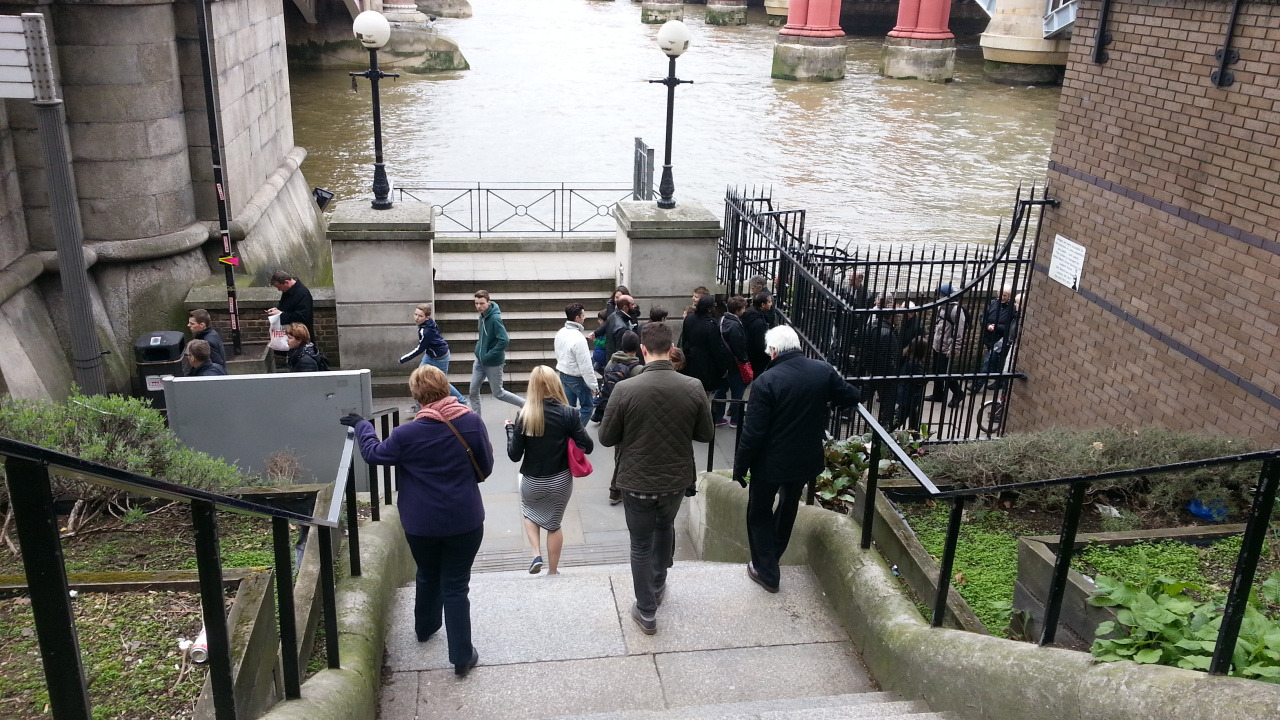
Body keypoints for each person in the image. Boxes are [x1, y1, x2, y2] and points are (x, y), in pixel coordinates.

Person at [341, 365, 492, 677]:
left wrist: (363, 426)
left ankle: (425, 628)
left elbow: (374, 454)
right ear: (445, 387)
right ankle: (461, 656)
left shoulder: (406, 434)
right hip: (465, 518)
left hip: (421, 522)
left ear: (416, 395)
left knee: (427, 573)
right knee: (455, 585)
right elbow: (486, 466)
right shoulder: (471, 422)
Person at [599, 322, 713, 634]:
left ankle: (646, 611)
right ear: (672, 348)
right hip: (674, 480)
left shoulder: (625, 389)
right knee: (665, 527)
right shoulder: (693, 386)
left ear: (643, 350)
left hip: (636, 480)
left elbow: (606, 437)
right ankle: (659, 584)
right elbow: (706, 434)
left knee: (639, 544)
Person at [733, 325, 860, 593]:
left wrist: (741, 466)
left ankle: (767, 571)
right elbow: (851, 395)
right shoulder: (822, 371)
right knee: (788, 506)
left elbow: (753, 433)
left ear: (774, 350)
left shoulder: (766, 382)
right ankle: (773, 557)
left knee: (758, 512)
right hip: (804, 458)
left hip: (770, 462)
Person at [506, 366, 593, 576]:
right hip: (560, 480)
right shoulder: (569, 414)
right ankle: (553, 571)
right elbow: (588, 445)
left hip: (533, 481)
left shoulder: (524, 416)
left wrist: (510, 430)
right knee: (554, 525)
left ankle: (536, 554)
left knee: (529, 512)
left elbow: (514, 455)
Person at [594, 330, 644, 503]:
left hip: (613, 412)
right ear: (637, 348)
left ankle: (619, 487)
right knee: (625, 453)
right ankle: (615, 490)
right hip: (630, 417)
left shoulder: (611, 362)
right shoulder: (638, 369)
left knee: (620, 452)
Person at [469, 290, 525, 418]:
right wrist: (478, 349)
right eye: (476, 303)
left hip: (493, 363)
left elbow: (504, 340)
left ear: (488, 303)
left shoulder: (495, 318)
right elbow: (482, 336)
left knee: (498, 393)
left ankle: (525, 404)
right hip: (479, 360)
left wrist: (489, 354)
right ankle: (477, 419)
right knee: (473, 391)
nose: (478, 306)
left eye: (481, 303)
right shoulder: (482, 316)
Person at [400, 303, 465, 404]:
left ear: (427, 317)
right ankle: (419, 404)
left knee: (441, 382)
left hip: (440, 358)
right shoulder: (429, 323)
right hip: (431, 355)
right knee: (418, 378)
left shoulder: (426, 332)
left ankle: (461, 401)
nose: (416, 318)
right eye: (415, 314)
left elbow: (419, 349)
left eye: (420, 316)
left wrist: (403, 359)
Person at [857, 295, 901, 427]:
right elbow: (889, 357)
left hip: (871, 368)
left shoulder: (873, 326)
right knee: (887, 402)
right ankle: (885, 427)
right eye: (897, 315)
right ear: (891, 316)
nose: (899, 318)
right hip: (883, 373)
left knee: (864, 393)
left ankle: (846, 408)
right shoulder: (887, 333)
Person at [679, 294, 732, 396]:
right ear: (709, 308)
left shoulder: (689, 318)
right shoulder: (710, 325)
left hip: (689, 359)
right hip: (705, 364)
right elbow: (715, 349)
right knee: (703, 392)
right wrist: (722, 368)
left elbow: (685, 338)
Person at [554, 303, 598, 426]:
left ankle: (567, 432)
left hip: (564, 374)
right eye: (583, 315)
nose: (585, 317)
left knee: (568, 409)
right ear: (577, 318)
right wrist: (593, 386)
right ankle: (576, 432)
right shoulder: (579, 339)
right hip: (577, 378)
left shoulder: (560, 333)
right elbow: (586, 366)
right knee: (587, 407)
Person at [925, 284, 967, 408]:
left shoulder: (956, 310)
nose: (938, 297)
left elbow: (959, 332)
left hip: (947, 348)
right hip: (937, 345)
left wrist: (954, 348)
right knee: (936, 371)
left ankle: (958, 393)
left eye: (940, 295)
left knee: (944, 373)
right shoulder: (941, 307)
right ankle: (938, 394)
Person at [970, 287, 1018, 394]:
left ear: (1009, 296)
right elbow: (983, 317)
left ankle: (977, 385)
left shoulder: (1012, 308)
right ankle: (999, 381)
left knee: (989, 361)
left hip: (1000, 340)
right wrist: (987, 325)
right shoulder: (992, 303)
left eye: (1005, 295)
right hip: (989, 337)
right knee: (994, 361)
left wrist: (997, 327)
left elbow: (1011, 327)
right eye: (1000, 294)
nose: (1002, 297)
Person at [712, 296, 750, 427]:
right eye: (743, 308)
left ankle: (717, 417)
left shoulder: (722, 320)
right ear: (738, 310)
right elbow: (739, 347)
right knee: (737, 392)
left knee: (721, 390)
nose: (744, 311)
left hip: (722, 363)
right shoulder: (735, 325)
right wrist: (744, 360)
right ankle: (735, 420)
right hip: (734, 365)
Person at [894, 338, 930, 431]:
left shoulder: (907, 360)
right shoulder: (916, 364)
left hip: (906, 394)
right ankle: (882, 433)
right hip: (910, 396)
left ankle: (915, 437)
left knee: (913, 418)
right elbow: (922, 380)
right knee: (899, 420)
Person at [267, 270, 314, 339]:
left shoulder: (303, 293)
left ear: (286, 282)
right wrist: (276, 310)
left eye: (279, 287)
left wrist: (281, 314)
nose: (279, 290)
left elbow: (302, 317)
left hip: (300, 337)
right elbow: (285, 307)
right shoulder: (287, 291)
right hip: (290, 335)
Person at [740, 291, 772, 379]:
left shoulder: (749, 314)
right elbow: (760, 344)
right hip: (757, 359)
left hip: (749, 353)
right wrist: (768, 355)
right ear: (763, 305)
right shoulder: (760, 322)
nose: (771, 304)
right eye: (769, 302)